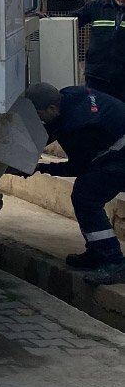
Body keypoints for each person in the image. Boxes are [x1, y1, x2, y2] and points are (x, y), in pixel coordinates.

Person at [23, 80, 125, 285]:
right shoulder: (68, 96)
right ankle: (97, 252)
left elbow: (78, 167)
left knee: (86, 197)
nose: (39, 120)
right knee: (85, 194)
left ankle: (114, 261)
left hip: (119, 154)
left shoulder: (78, 125)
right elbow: (53, 129)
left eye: (40, 115)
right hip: (114, 143)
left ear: (52, 108)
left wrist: (40, 167)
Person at [76, 0, 125, 97]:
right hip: (96, 76)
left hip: (122, 78)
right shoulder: (96, 7)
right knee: (95, 107)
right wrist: (47, 20)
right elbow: (70, 22)